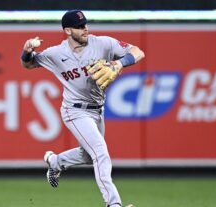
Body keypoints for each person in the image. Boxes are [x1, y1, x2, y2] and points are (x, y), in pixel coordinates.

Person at [21, 10, 145, 207]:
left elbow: (138, 52)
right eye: (79, 26)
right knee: (100, 152)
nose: (85, 28)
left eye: (85, 24)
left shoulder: (103, 43)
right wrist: (27, 50)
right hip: (74, 110)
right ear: (68, 31)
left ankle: (55, 162)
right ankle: (114, 204)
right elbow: (28, 64)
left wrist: (119, 63)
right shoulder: (56, 53)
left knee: (89, 155)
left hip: (97, 110)